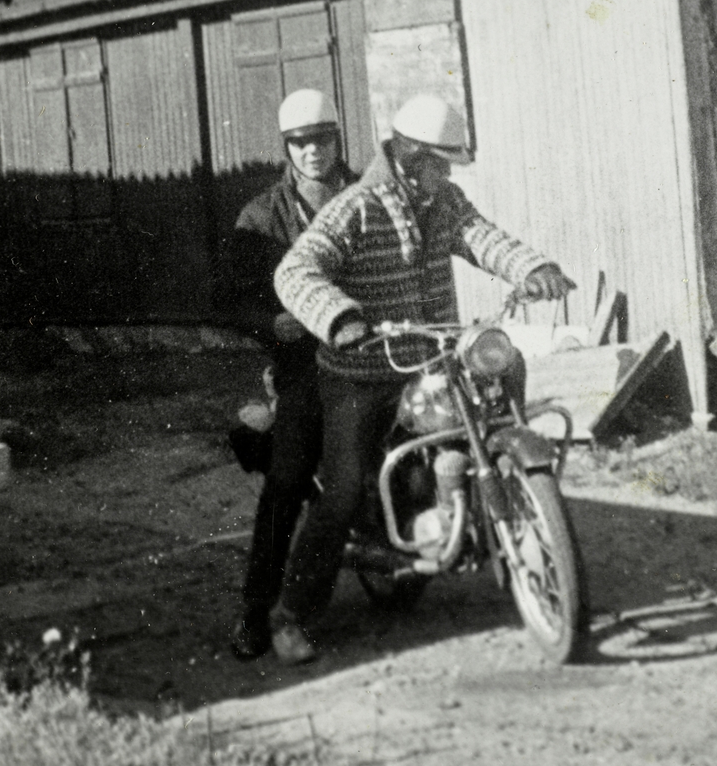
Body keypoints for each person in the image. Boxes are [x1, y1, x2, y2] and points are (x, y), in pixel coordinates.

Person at [271, 93, 575, 663]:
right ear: (408, 158)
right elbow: (296, 269)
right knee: (341, 492)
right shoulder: (354, 207)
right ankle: (291, 614)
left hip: (431, 360)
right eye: (438, 162)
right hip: (361, 371)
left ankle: (503, 520)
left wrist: (533, 268)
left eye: (449, 163)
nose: (446, 172)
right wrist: (340, 317)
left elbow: (484, 237)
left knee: (503, 371)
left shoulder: (444, 201)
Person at [227, 89, 358, 660]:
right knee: (288, 479)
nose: (313, 152)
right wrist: (270, 324)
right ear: (287, 147)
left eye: (322, 139)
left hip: (372, 356)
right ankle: (257, 612)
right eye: (300, 143)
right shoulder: (262, 216)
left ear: (337, 138)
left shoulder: (366, 198)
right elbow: (230, 300)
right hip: (305, 366)